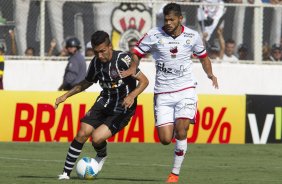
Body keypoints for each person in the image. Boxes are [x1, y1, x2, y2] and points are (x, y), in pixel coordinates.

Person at [120, 3, 218, 183]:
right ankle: (176, 138)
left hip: (186, 89)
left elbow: (204, 57)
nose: (168, 23)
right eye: (166, 19)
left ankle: (174, 174)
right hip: (163, 93)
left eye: (172, 19)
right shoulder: (154, 35)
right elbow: (137, 53)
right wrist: (133, 68)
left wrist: (210, 73)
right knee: (165, 139)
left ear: (180, 19)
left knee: (181, 130)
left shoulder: (192, 36)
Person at [56, 30, 149, 180]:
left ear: (110, 47)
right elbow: (86, 83)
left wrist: (132, 96)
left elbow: (144, 81)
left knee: (97, 138)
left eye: (102, 51)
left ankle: (101, 155)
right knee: (82, 132)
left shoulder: (123, 60)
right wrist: (65, 96)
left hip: (123, 107)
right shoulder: (95, 62)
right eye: (96, 52)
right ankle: (65, 173)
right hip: (104, 101)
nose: (99, 55)